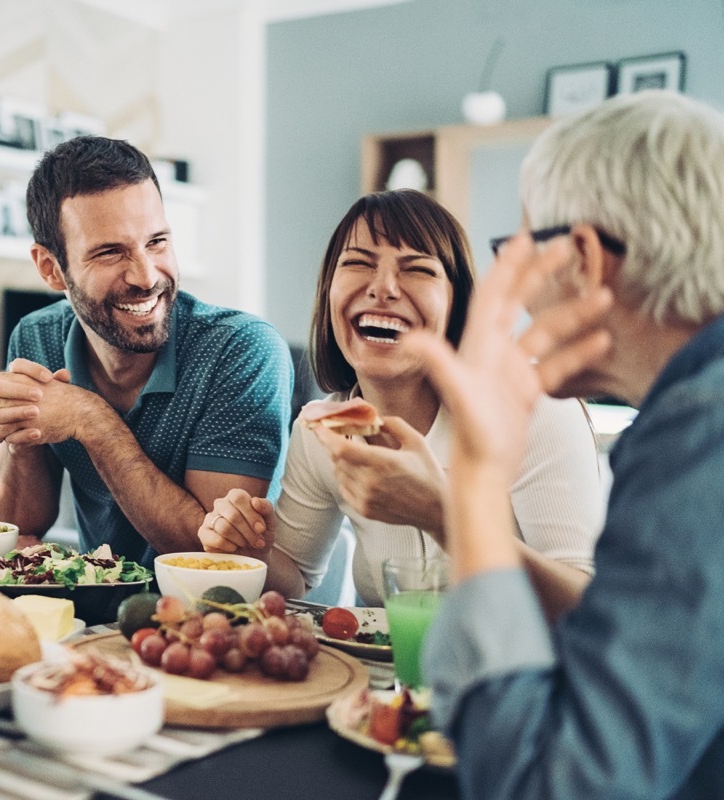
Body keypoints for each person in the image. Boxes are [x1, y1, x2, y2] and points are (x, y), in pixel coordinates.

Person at [407, 90, 724, 799]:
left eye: (517, 254)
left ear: (581, 256)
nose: (514, 296)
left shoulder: (700, 434)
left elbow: (550, 783)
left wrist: (477, 481)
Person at [197, 190, 601, 619]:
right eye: (358, 263)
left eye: (417, 269)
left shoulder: (530, 407)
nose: (383, 288)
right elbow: (294, 577)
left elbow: (584, 604)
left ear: (457, 302)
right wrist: (254, 550)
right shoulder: (321, 432)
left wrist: (444, 517)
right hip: (395, 682)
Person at [0, 136, 293, 567]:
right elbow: (21, 521)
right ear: (51, 268)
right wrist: (22, 434)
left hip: (215, 621)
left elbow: (215, 557)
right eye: (110, 252)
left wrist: (93, 422)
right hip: (98, 620)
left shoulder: (241, 351)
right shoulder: (36, 338)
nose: (146, 276)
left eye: (157, 242)